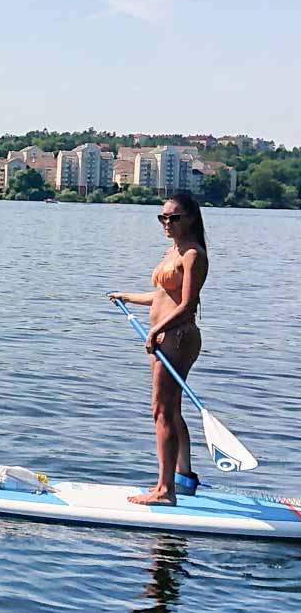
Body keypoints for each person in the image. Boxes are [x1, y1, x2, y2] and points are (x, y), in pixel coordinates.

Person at [109, 192, 209, 506]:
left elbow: (187, 304)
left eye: (174, 217)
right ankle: (184, 477)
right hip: (165, 336)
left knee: (162, 411)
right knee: (170, 409)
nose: (167, 222)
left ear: (191, 218)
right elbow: (161, 296)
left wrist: (157, 329)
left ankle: (165, 491)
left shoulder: (192, 254)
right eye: (163, 217)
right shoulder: (171, 251)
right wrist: (127, 296)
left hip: (178, 337)